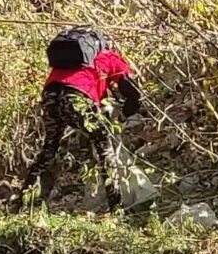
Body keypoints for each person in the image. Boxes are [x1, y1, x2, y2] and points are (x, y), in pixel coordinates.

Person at [28, 27, 143, 206]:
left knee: (49, 148)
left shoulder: (68, 62)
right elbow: (132, 92)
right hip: (78, 99)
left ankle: (24, 200)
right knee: (105, 149)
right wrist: (127, 113)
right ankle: (117, 206)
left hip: (50, 95)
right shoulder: (110, 57)